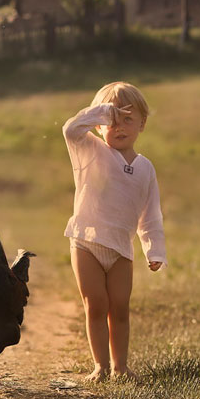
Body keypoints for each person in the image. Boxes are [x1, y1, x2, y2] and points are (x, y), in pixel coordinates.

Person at [62, 81, 166, 382]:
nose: (119, 127)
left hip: (121, 248)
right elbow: (70, 129)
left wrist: (154, 249)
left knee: (119, 308)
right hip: (86, 242)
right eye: (112, 121)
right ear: (99, 126)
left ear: (142, 123)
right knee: (96, 305)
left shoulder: (146, 168)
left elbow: (151, 215)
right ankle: (101, 366)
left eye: (128, 119)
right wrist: (101, 112)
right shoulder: (90, 150)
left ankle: (121, 367)